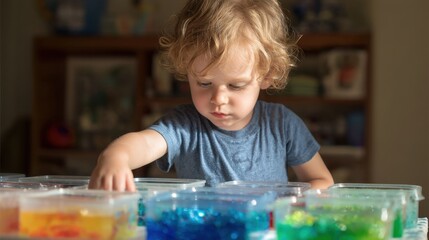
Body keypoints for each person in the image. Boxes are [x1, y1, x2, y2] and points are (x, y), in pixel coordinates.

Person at [89, 0, 334, 191]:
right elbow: (144, 143)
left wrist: (291, 203)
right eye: (204, 83)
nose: (218, 98)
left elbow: (322, 180)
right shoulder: (185, 126)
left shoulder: (282, 125)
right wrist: (116, 156)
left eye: (236, 85)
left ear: (266, 75)